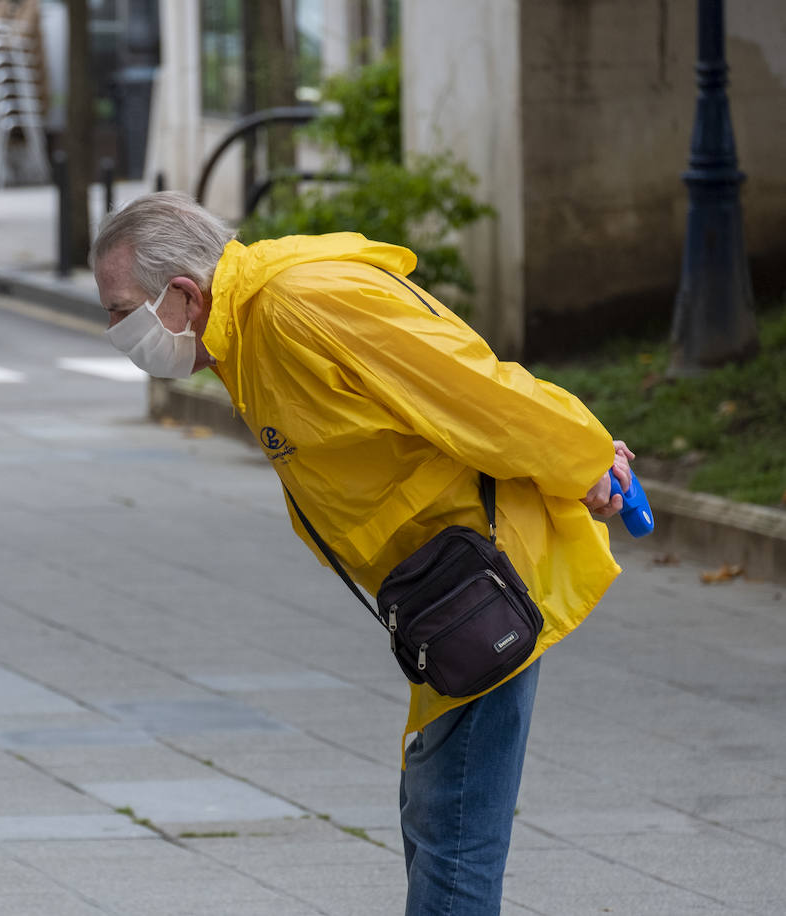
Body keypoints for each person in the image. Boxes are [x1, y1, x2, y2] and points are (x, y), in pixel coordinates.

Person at [91, 191, 633, 915]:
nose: (116, 331)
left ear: (184, 295)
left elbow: (469, 388)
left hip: (483, 579)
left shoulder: (299, 305)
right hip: (438, 588)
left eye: (121, 311)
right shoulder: (242, 333)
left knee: (454, 840)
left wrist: (584, 459)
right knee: (437, 817)